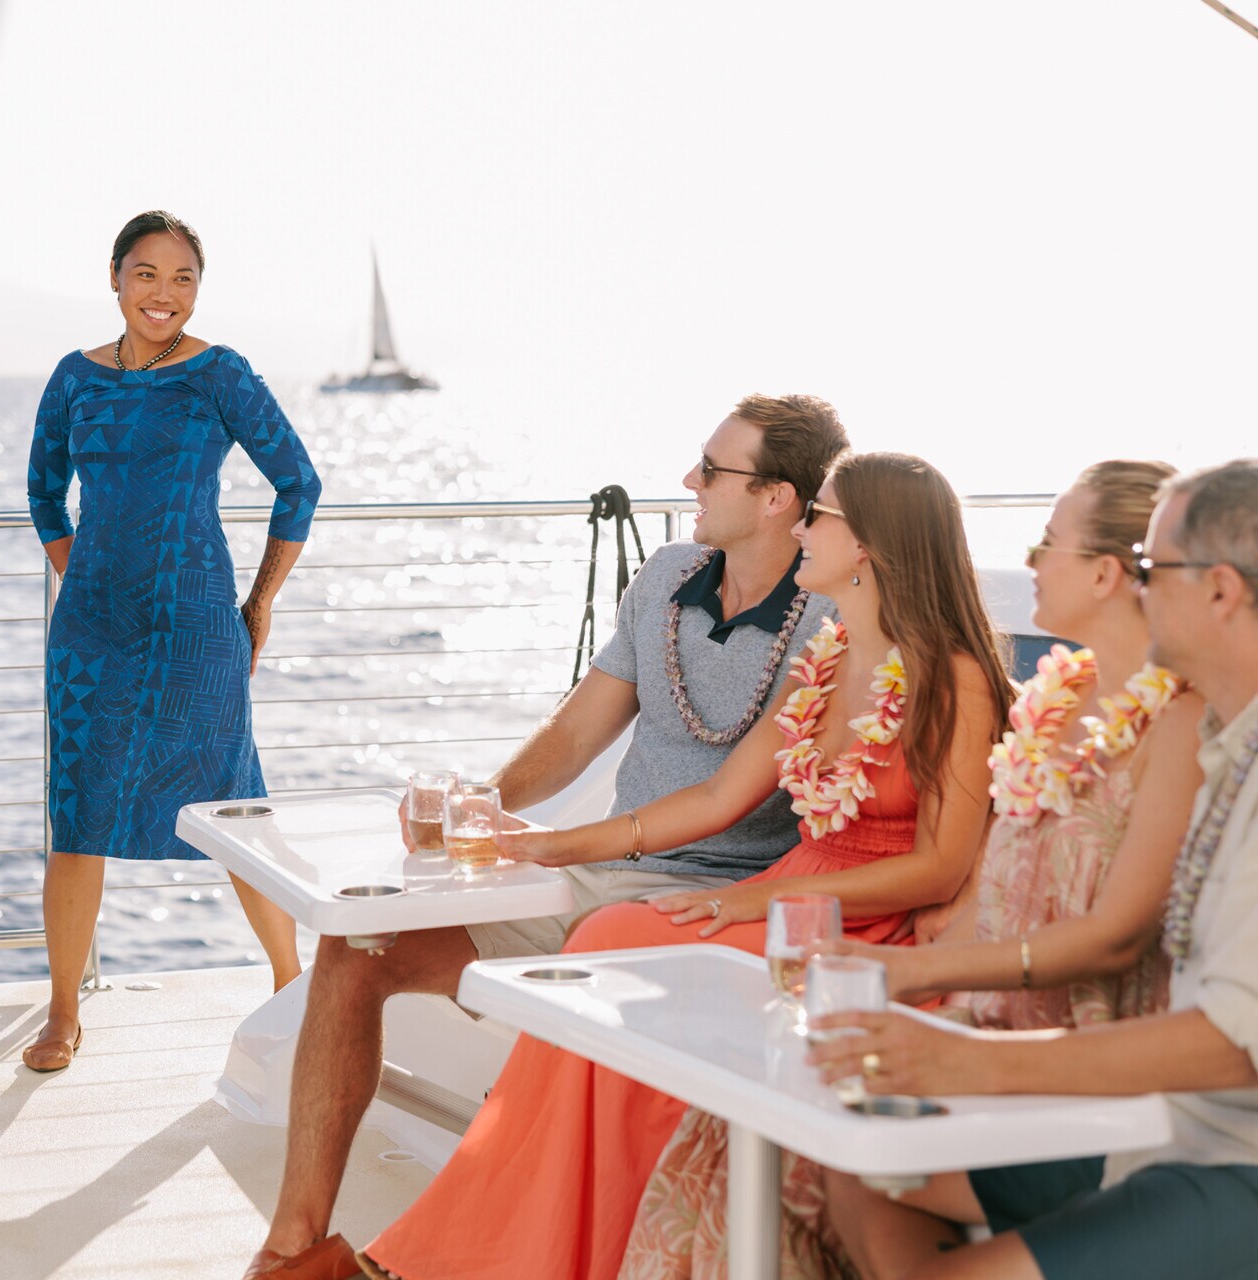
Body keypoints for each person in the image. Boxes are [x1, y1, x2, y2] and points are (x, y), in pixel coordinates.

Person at [358, 451, 1013, 1280]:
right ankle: (496, 1247)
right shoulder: (828, 660)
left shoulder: (953, 678)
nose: (804, 530)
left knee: (618, 949)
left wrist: (755, 907)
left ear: (873, 545)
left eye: (823, 516)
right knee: (610, 933)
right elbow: (714, 799)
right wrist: (555, 843)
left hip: (858, 919)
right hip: (783, 899)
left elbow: (942, 868)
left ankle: (517, 1253)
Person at [246, 395, 850, 1279]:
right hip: (597, 875)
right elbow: (577, 732)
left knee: (549, 991)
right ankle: (295, 1251)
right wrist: (481, 804)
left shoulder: (830, 625)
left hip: (697, 905)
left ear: (777, 500)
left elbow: (728, 798)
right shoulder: (668, 575)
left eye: (712, 471)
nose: (689, 481)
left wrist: (554, 846)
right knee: (354, 951)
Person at [619, 459, 1205, 1279]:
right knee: (743, 1117)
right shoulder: (1058, 699)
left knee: (803, 1132)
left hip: (1083, 1053)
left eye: (1048, 545)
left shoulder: (1179, 725)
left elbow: (1109, 941)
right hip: (984, 1012)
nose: (1028, 562)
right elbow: (1000, 877)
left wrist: (907, 970)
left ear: (1108, 574)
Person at [813, 459, 1258, 1280]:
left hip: (1216, 1153)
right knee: (844, 1162)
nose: (1136, 586)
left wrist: (969, 1059)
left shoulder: (1204, 741)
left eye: (1152, 571)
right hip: (1164, 1121)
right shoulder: (1234, 745)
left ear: (1222, 590)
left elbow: (1235, 1045)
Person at [26, 210, 322, 1073]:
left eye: (183, 278)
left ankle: (288, 980)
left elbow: (298, 482)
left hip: (196, 626)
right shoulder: (74, 379)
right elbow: (44, 491)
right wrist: (83, 570)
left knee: (233, 807)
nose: (165, 293)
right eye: (147, 274)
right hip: (91, 634)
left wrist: (260, 600)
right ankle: (61, 1011)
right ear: (114, 278)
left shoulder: (221, 374)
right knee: (76, 816)